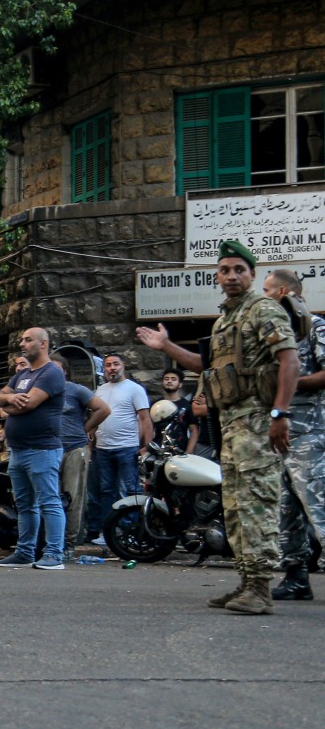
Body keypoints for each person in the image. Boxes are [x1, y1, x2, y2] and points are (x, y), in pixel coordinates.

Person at [136, 240, 297, 614]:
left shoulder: (264, 310)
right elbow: (204, 365)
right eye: (225, 270)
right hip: (232, 427)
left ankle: (260, 588)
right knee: (236, 507)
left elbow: (289, 362)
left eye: (239, 269)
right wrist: (165, 346)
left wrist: (280, 414)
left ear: (252, 275)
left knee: (257, 505)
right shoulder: (225, 320)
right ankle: (246, 582)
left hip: (258, 423)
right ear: (217, 276)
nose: (231, 276)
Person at [261, 269, 325, 601]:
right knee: (285, 511)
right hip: (278, 437)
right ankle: (296, 577)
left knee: (319, 506)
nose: (263, 293)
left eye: (267, 289)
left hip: (310, 434)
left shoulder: (316, 326)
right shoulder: (274, 333)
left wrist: (288, 383)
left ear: (284, 291)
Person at [0, 328, 67, 569]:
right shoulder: (23, 374)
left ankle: (55, 554)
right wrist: (10, 399)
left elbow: (28, 404)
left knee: (49, 502)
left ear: (43, 343)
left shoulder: (52, 373)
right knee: (25, 505)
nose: (22, 344)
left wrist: (10, 403)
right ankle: (25, 552)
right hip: (19, 450)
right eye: (21, 339)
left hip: (42, 449)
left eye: (28, 340)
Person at [86, 354, 152, 546]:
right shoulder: (100, 390)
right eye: (108, 365)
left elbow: (145, 419)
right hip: (103, 448)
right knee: (106, 491)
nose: (112, 368)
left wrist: (146, 446)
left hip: (127, 448)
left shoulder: (135, 389)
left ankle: (129, 531)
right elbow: (95, 417)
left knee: (128, 491)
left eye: (116, 364)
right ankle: (109, 532)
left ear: (123, 366)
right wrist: (90, 442)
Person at [49, 353, 110, 557]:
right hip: (49, 449)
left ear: (65, 371)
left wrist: (85, 428)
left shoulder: (76, 390)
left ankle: (68, 542)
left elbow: (103, 409)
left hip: (74, 448)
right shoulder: (43, 391)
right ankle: (51, 541)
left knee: (72, 497)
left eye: (57, 369)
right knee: (51, 498)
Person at [151, 368, 190, 450]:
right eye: (166, 379)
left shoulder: (186, 404)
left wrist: (189, 451)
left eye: (173, 379)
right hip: (158, 448)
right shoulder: (156, 405)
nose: (169, 381)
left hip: (180, 449)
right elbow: (149, 427)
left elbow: (194, 430)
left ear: (180, 384)